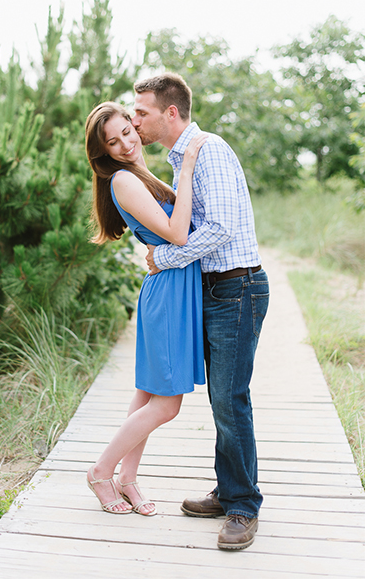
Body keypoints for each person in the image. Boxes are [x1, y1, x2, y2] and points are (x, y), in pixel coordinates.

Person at [132, 72, 269, 550]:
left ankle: (242, 507)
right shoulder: (180, 159)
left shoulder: (207, 149)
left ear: (171, 112)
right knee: (222, 399)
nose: (135, 119)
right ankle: (229, 488)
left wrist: (163, 259)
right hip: (212, 291)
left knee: (231, 400)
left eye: (142, 112)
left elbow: (222, 227)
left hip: (237, 289)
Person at [84, 102, 207, 518]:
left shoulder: (141, 174)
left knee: (147, 396)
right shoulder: (122, 180)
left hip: (174, 289)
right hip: (168, 296)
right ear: (102, 151)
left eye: (126, 132)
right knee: (167, 404)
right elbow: (177, 233)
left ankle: (128, 478)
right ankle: (101, 471)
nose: (124, 144)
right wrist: (187, 170)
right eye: (112, 142)